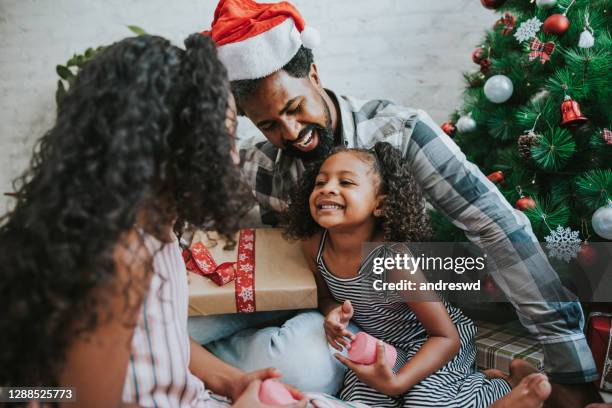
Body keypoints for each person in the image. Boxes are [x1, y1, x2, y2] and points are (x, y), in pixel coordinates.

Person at [196, 0, 603, 406]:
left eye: (295, 108)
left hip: (409, 324)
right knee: (160, 319)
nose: (291, 132)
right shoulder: (260, 163)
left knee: (309, 368)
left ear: (314, 76)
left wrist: (569, 364)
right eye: (268, 124)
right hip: (328, 318)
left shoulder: (401, 133)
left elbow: (497, 227)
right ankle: (226, 378)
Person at [0, 33, 306, 407]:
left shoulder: (153, 229)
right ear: (164, 144)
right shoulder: (115, 262)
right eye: (222, 139)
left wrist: (233, 382)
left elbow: (162, 338)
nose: (234, 158)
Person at [283, 141, 551, 407]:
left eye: (346, 183)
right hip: (381, 347)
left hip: (433, 344)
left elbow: (445, 337)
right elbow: (325, 296)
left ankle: (506, 386)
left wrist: (398, 384)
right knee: (357, 399)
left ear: (381, 205)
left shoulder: (393, 259)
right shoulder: (313, 245)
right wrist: (332, 312)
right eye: (320, 183)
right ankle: (473, 384)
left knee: (425, 401)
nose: (327, 189)